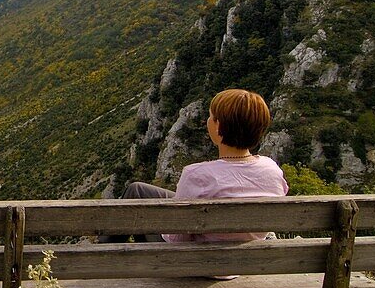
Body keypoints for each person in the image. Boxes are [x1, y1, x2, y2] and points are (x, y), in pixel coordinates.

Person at [108, 88, 288, 244]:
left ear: (218, 127)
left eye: (211, 116)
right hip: (245, 260)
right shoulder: (272, 170)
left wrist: (156, 219)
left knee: (139, 203)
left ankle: (100, 254)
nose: (207, 121)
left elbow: (176, 238)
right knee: (138, 190)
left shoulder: (197, 175)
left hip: (197, 264)